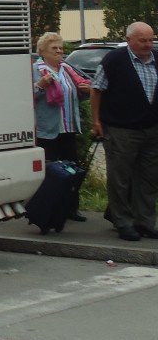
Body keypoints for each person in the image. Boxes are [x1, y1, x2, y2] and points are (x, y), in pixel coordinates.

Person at [91, 21, 158, 242]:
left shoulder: (157, 58)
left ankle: (145, 221)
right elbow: (97, 89)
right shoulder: (114, 60)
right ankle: (123, 222)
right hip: (122, 129)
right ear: (129, 40)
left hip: (151, 129)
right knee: (120, 178)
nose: (148, 44)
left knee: (148, 178)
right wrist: (96, 121)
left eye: (151, 39)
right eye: (143, 40)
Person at [32, 31, 92, 220]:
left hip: (68, 127)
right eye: (54, 48)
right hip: (47, 130)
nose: (59, 52)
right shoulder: (36, 69)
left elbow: (75, 95)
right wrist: (40, 85)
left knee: (72, 169)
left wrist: (86, 91)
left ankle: (71, 208)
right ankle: (47, 209)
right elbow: (25, 97)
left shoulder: (67, 69)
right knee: (50, 173)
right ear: (43, 51)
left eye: (61, 48)